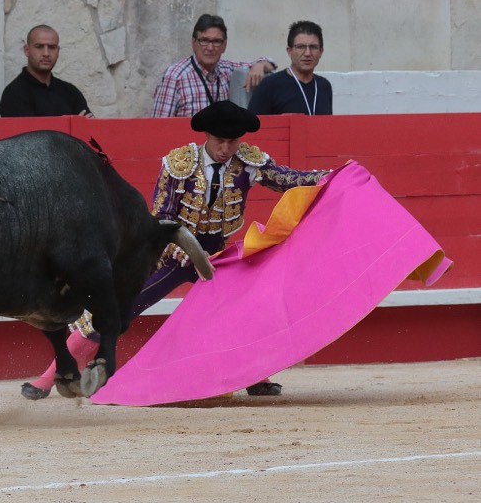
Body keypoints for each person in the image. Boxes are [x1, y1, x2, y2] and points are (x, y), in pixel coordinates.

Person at [21, 100, 330, 401]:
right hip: (168, 252)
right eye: (220, 141)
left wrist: (325, 178)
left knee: (241, 311)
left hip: (215, 256)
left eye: (232, 141)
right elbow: (162, 219)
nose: (226, 148)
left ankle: (254, 377)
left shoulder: (247, 162)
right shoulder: (179, 164)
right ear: (207, 136)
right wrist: (185, 252)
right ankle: (50, 377)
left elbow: (285, 179)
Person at [150, 13, 276, 118]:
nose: (210, 48)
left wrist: (261, 65)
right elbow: (158, 125)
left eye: (216, 41)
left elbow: (270, 62)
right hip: (189, 146)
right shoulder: (175, 76)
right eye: (204, 40)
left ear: (224, 45)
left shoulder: (228, 69)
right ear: (193, 43)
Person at [0, 25, 94, 118]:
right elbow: (30, 133)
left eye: (52, 47)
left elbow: (91, 131)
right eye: (39, 46)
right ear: (27, 50)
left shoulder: (71, 92)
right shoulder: (14, 94)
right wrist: (71, 125)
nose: (46, 53)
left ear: (58, 51)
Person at [248, 21, 332, 116]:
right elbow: (252, 127)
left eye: (313, 47)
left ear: (321, 51)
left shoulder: (324, 86)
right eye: (300, 47)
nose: (307, 53)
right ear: (289, 51)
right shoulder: (270, 85)